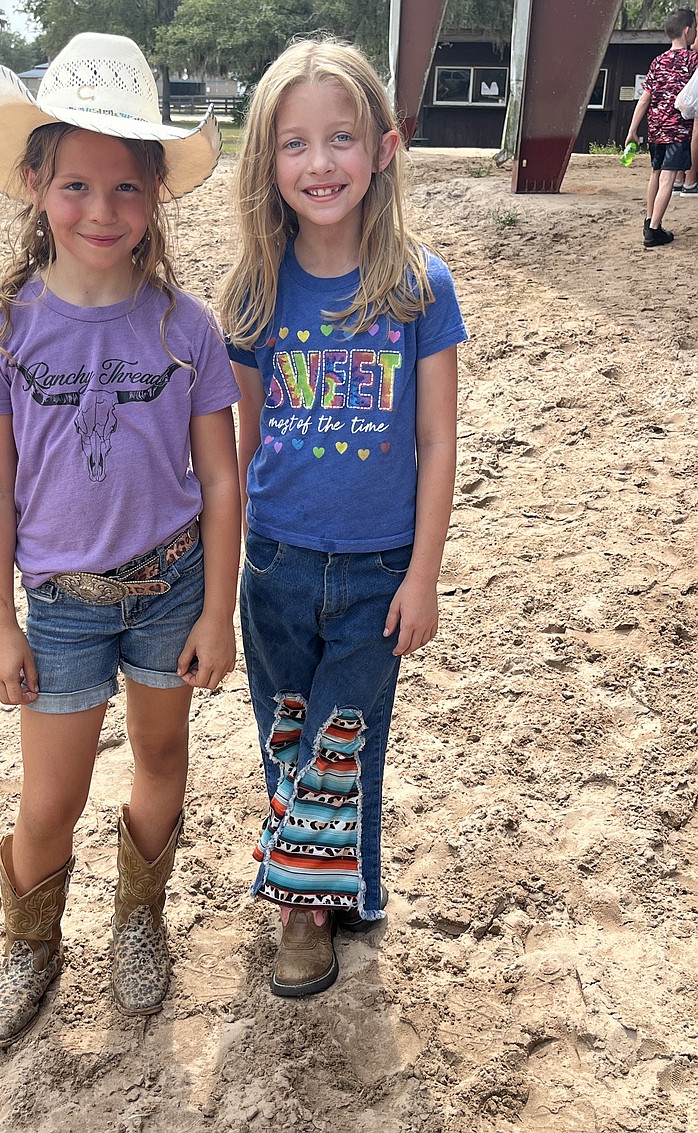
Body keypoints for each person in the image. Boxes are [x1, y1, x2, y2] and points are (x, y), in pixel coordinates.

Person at [0, 32, 241, 1047]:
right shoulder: (1, 330)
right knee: (53, 792)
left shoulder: (187, 329)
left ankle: (138, 921)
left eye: (126, 188)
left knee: (161, 754)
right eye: (76, 184)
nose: (102, 210)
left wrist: (216, 607)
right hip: (62, 605)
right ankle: (29, 944)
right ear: (35, 182)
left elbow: (217, 476)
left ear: (155, 193)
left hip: (171, 588)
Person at [220, 37, 467, 997]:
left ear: (386, 146)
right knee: (291, 734)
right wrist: (222, 583)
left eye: (340, 138)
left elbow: (438, 442)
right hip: (276, 566)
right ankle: (330, 886)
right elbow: (236, 454)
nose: (319, 164)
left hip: (377, 569)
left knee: (345, 738)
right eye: (294, 144)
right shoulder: (252, 294)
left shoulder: (418, 286)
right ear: (267, 162)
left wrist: (423, 574)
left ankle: (302, 914)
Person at [625, 7, 697, 247]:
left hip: (655, 128)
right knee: (668, 178)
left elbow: (644, 98)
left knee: (655, 174)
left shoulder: (658, 61)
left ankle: (649, 219)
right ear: (687, 31)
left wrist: (632, 130)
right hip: (678, 130)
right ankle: (654, 231)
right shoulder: (692, 60)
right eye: (695, 29)